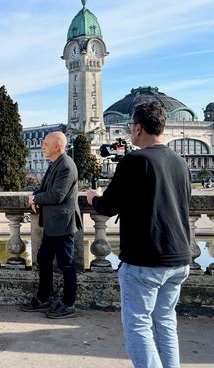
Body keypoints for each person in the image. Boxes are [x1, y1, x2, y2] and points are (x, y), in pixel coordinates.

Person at [87, 101, 191, 368]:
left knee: (138, 326)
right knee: (166, 323)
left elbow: (108, 207)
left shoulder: (135, 160)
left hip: (146, 259)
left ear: (138, 128)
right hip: (179, 257)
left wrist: (93, 198)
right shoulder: (180, 162)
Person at [21, 131, 82, 319]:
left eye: (45, 144)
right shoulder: (56, 163)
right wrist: (35, 195)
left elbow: (57, 196)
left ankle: (69, 304)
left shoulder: (66, 166)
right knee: (44, 258)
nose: (42, 146)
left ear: (57, 147)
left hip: (62, 223)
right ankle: (43, 298)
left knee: (66, 264)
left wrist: (36, 198)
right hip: (53, 223)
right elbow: (46, 188)